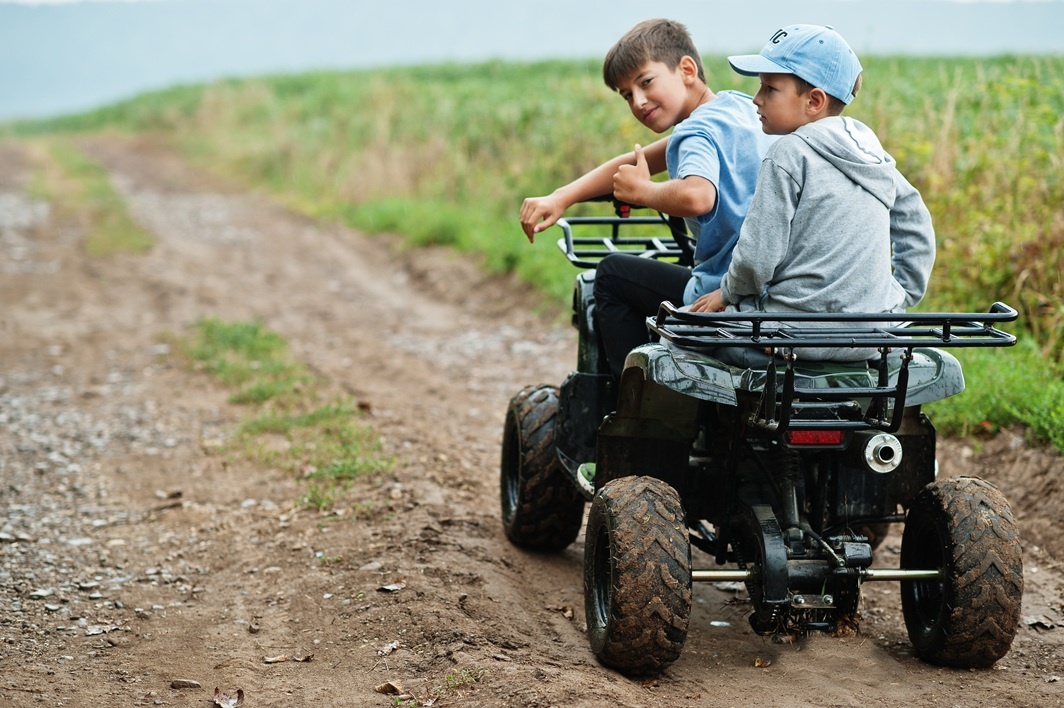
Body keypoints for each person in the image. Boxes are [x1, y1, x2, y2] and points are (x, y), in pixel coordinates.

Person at [519, 18, 776, 379]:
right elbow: (635, 162)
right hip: (772, 283)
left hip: (723, 288)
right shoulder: (741, 109)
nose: (638, 101)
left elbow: (697, 196)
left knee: (610, 275)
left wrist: (645, 192)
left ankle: (631, 402)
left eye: (646, 82)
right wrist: (563, 196)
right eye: (627, 95)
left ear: (686, 69)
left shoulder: (695, 131)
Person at [695, 24, 936, 361]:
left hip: (793, 332)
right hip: (873, 332)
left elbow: (756, 258)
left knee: (684, 330)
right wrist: (900, 294)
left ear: (814, 101)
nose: (756, 99)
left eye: (770, 89)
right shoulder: (869, 148)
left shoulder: (788, 153)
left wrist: (726, 292)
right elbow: (914, 217)